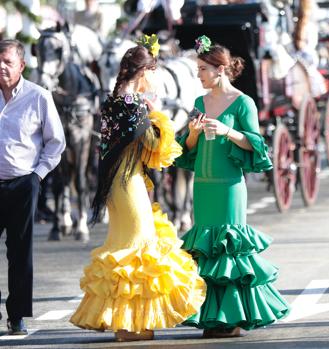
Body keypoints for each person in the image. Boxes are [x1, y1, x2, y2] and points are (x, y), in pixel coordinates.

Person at [69, 35, 206, 342]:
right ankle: (130, 326)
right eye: (153, 74)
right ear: (143, 73)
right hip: (130, 184)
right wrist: (161, 118)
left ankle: (127, 323)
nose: (153, 82)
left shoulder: (112, 101)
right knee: (138, 252)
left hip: (115, 184)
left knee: (124, 251)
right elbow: (156, 146)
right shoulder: (134, 105)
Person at [175, 35, 289, 338]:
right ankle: (212, 319)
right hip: (203, 184)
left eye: (202, 69)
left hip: (229, 186)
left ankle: (234, 319)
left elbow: (256, 144)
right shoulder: (199, 103)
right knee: (207, 251)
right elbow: (186, 147)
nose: (198, 75)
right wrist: (194, 134)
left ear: (220, 70)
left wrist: (228, 130)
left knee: (229, 247)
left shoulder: (243, 102)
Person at [0, 39, 65, 335]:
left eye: (7, 62)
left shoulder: (38, 96)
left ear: (21, 65)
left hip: (23, 184)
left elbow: (56, 142)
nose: (1, 67)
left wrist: (37, 176)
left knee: (20, 252)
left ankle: (17, 316)